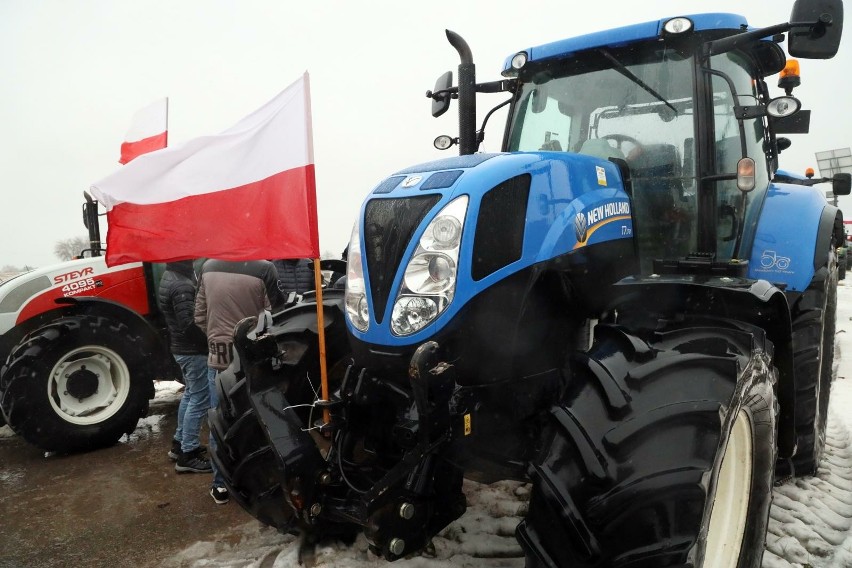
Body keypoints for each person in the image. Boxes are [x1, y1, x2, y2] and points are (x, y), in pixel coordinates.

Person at [195, 259, 286, 504]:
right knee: (260, 418)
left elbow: (199, 316)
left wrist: (218, 339)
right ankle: (259, 479)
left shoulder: (208, 267)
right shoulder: (264, 268)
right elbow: (274, 314)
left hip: (219, 358)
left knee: (220, 421)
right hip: (251, 357)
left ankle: (220, 484)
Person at [157, 260, 212, 474]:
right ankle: (187, 455)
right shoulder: (182, 286)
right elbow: (190, 324)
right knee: (200, 398)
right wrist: (208, 342)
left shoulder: (170, 276)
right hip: (192, 351)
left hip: (182, 348)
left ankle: (179, 443)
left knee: (191, 395)